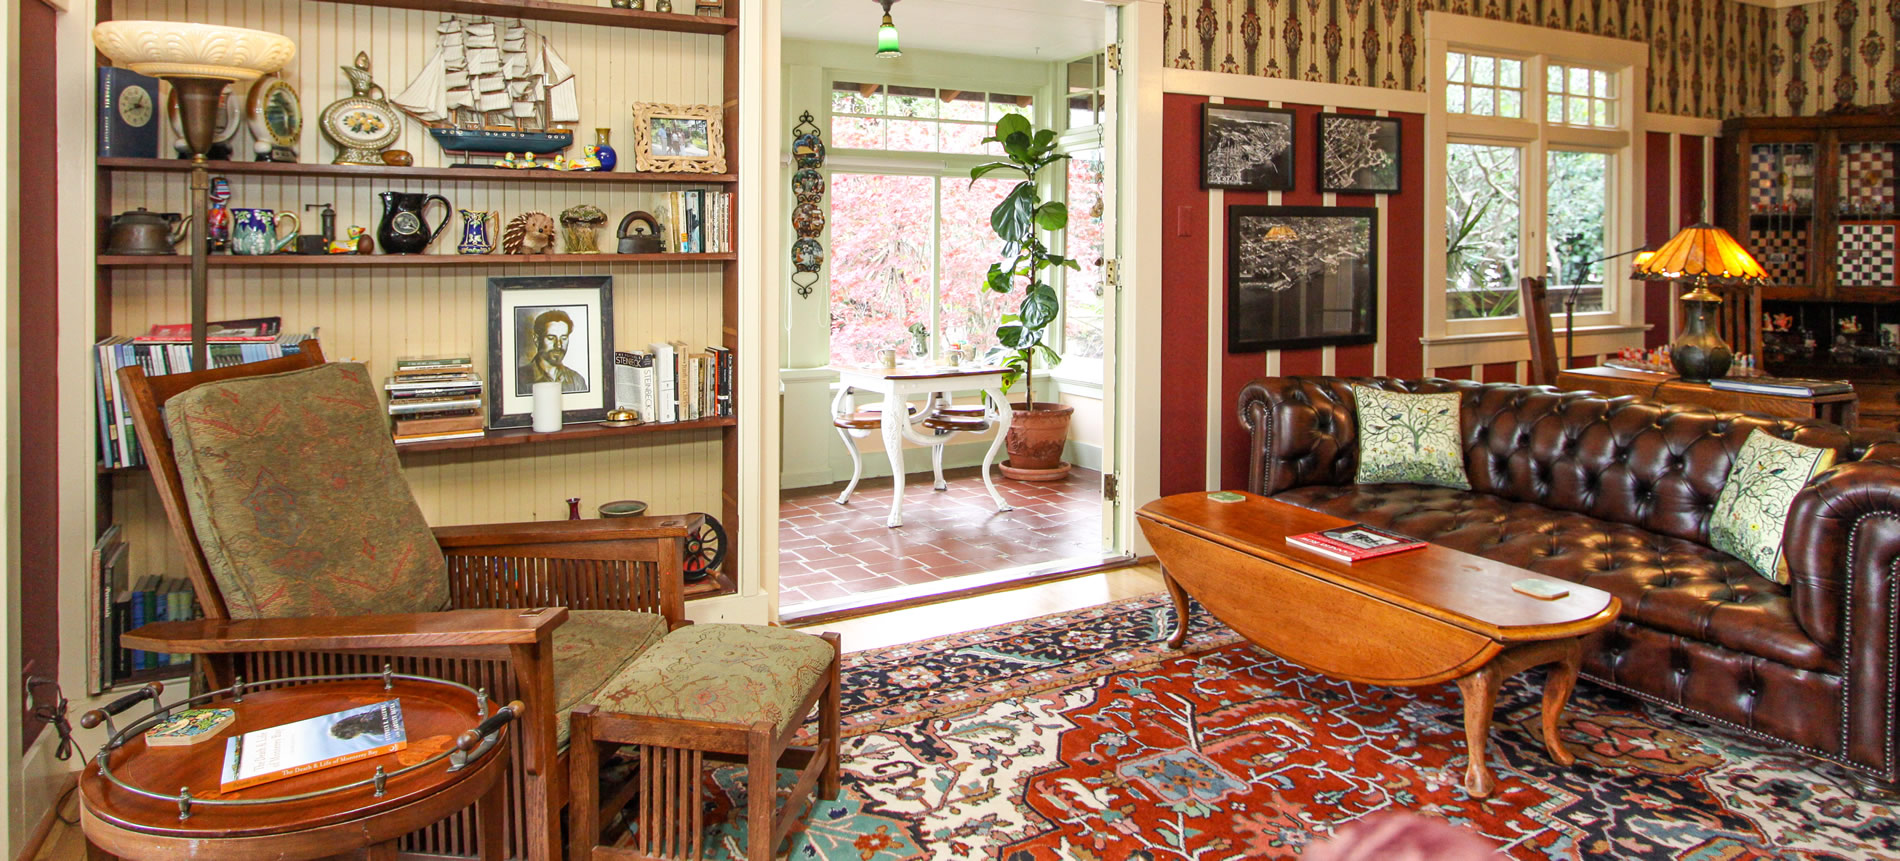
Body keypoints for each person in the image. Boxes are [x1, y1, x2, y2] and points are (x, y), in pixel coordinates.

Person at [518, 308, 587, 394]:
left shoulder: (577, 381)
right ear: (536, 339)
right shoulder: (518, 379)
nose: (558, 345)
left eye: (564, 338)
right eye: (551, 338)